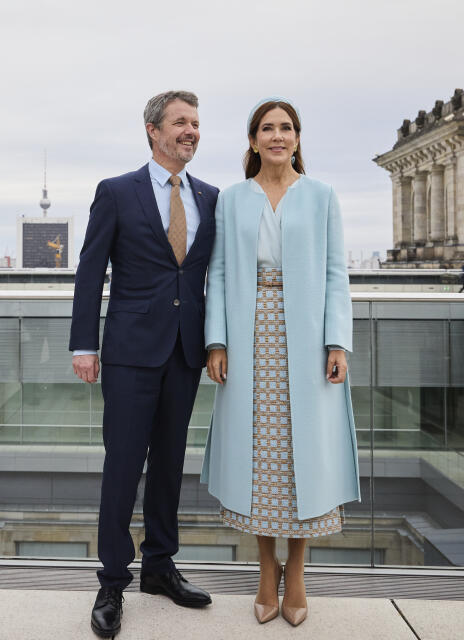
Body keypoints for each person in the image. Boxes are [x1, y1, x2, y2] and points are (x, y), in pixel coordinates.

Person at [203, 98, 356, 627]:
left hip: (308, 336)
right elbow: (218, 274)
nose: (277, 136)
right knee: (260, 455)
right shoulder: (231, 200)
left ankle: (298, 570)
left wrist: (337, 342)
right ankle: (265, 572)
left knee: (302, 456)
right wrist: (216, 341)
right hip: (249, 337)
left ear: (297, 138)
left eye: (286, 128)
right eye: (267, 128)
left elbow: (337, 273)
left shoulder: (321, 196)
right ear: (252, 140)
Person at [70, 90, 217, 638]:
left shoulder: (211, 196)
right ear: (152, 131)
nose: (191, 131)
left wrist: (218, 343)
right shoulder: (116, 193)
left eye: (196, 124)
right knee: (124, 465)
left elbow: (212, 279)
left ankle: (159, 566)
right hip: (130, 354)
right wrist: (85, 345)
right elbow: (90, 273)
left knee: (171, 464)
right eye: (181, 122)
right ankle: (112, 580)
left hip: (185, 352)